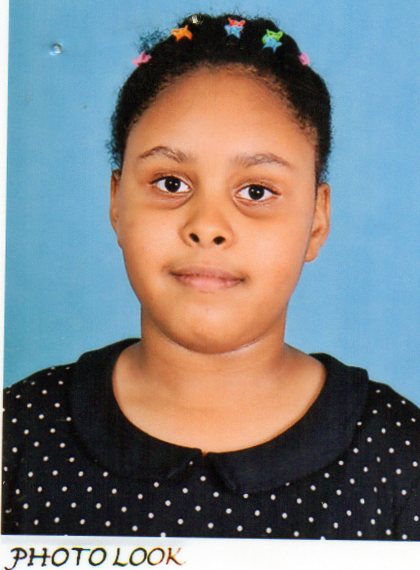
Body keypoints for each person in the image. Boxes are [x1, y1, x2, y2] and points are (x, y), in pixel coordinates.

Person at [2, 13, 419, 539]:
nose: (207, 226)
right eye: (170, 183)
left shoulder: (402, 458)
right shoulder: (17, 435)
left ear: (317, 220)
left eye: (256, 191)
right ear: (116, 203)